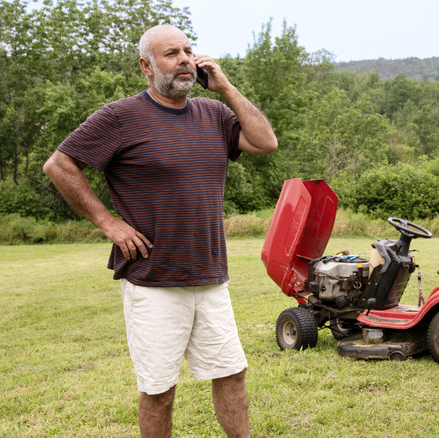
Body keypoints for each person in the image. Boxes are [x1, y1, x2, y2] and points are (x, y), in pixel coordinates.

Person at [43, 24, 277, 438]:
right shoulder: (120, 117)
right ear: (146, 67)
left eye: (189, 50)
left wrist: (225, 88)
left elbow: (265, 142)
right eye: (172, 53)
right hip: (153, 278)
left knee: (231, 374)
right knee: (159, 391)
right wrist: (107, 222)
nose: (186, 59)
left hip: (210, 277)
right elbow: (59, 166)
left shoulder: (215, 114)